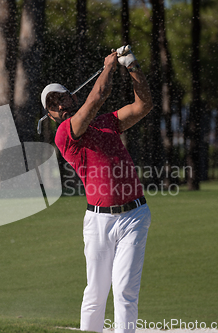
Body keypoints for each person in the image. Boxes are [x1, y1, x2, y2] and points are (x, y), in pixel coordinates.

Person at [40, 46, 153, 333]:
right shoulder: (64, 133)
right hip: (99, 221)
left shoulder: (107, 123)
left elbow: (143, 106)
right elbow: (98, 97)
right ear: (52, 116)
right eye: (53, 104)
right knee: (96, 293)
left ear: (72, 96)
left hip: (134, 216)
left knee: (125, 290)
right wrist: (108, 66)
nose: (60, 104)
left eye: (62, 96)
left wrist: (132, 66)